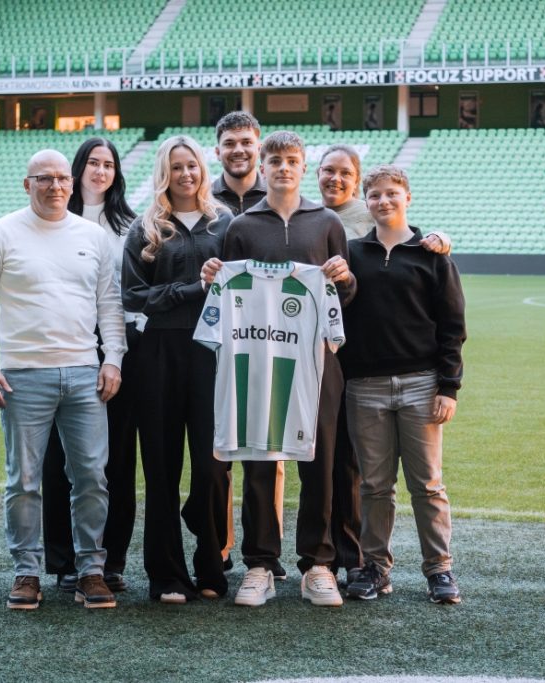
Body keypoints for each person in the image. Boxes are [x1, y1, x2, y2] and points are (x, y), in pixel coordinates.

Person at [0, 149, 126, 610]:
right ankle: (27, 572)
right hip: (22, 376)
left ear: (71, 184)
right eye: (44, 178)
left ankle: (90, 571)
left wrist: (113, 358)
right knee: (24, 480)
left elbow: (108, 304)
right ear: (27, 184)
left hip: (84, 373)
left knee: (91, 476)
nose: (55, 186)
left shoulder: (92, 236)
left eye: (61, 178)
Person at [201, 130, 355, 608]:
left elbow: (344, 294)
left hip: (317, 361)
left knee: (319, 463)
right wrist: (212, 277)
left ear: (303, 167)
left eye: (291, 160)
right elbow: (229, 294)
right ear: (262, 168)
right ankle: (260, 563)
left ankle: (318, 564)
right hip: (258, 358)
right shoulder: (241, 226)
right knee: (260, 462)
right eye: (275, 161)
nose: (283, 168)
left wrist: (345, 278)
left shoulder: (326, 222)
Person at [315, 144, 454, 588]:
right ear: (366, 201)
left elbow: (453, 325)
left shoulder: (432, 254)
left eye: (392, 193)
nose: (383, 201)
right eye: (375, 195)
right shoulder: (353, 253)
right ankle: (375, 567)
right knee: (374, 486)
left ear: (407, 197)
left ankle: (439, 569)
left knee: (427, 485)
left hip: (421, 384)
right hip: (366, 386)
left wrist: (448, 387)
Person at [121, 135, 232, 603]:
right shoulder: (145, 227)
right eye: (177, 166)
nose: (187, 174)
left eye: (193, 165)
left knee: (212, 468)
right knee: (161, 467)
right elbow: (132, 296)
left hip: (213, 354)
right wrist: (191, 290)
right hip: (159, 355)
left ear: (203, 170)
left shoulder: (225, 223)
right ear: (164, 173)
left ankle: (211, 564)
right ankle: (165, 574)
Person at [41, 137, 139, 596]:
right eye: (93, 163)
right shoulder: (54, 217)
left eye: (109, 164)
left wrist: (115, 353)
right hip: (64, 343)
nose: (101, 171)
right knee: (60, 458)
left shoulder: (132, 225)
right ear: (77, 169)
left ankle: (110, 559)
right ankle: (64, 559)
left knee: (115, 458)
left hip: (119, 345)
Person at [211, 110, 287, 582]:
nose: (238, 150)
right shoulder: (202, 198)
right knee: (217, 454)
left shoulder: (279, 196)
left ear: (258, 148)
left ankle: (264, 552)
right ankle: (216, 549)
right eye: (230, 143)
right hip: (217, 340)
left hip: (270, 341)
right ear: (217, 150)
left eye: (246, 142)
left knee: (266, 452)